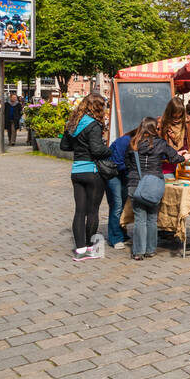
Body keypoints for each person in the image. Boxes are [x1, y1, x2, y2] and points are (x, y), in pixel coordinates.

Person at [125, 116, 180, 260]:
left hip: (135, 183)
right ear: (155, 129)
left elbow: (127, 163)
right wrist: (183, 156)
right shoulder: (160, 143)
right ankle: (150, 250)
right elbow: (174, 158)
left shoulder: (133, 143)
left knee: (139, 219)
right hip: (154, 183)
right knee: (152, 218)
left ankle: (138, 252)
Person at [63, 94, 111, 261]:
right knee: (93, 211)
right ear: (97, 107)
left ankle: (80, 250)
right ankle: (90, 248)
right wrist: (110, 150)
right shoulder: (94, 125)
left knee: (79, 211)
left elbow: (64, 145)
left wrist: (79, 147)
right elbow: (97, 150)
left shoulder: (73, 124)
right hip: (92, 171)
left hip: (76, 171)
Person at [105, 128, 133, 251]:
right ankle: (115, 238)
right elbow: (117, 161)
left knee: (123, 204)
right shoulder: (125, 140)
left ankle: (121, 232)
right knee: (116, 204)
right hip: (113, 173)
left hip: (124, 174)